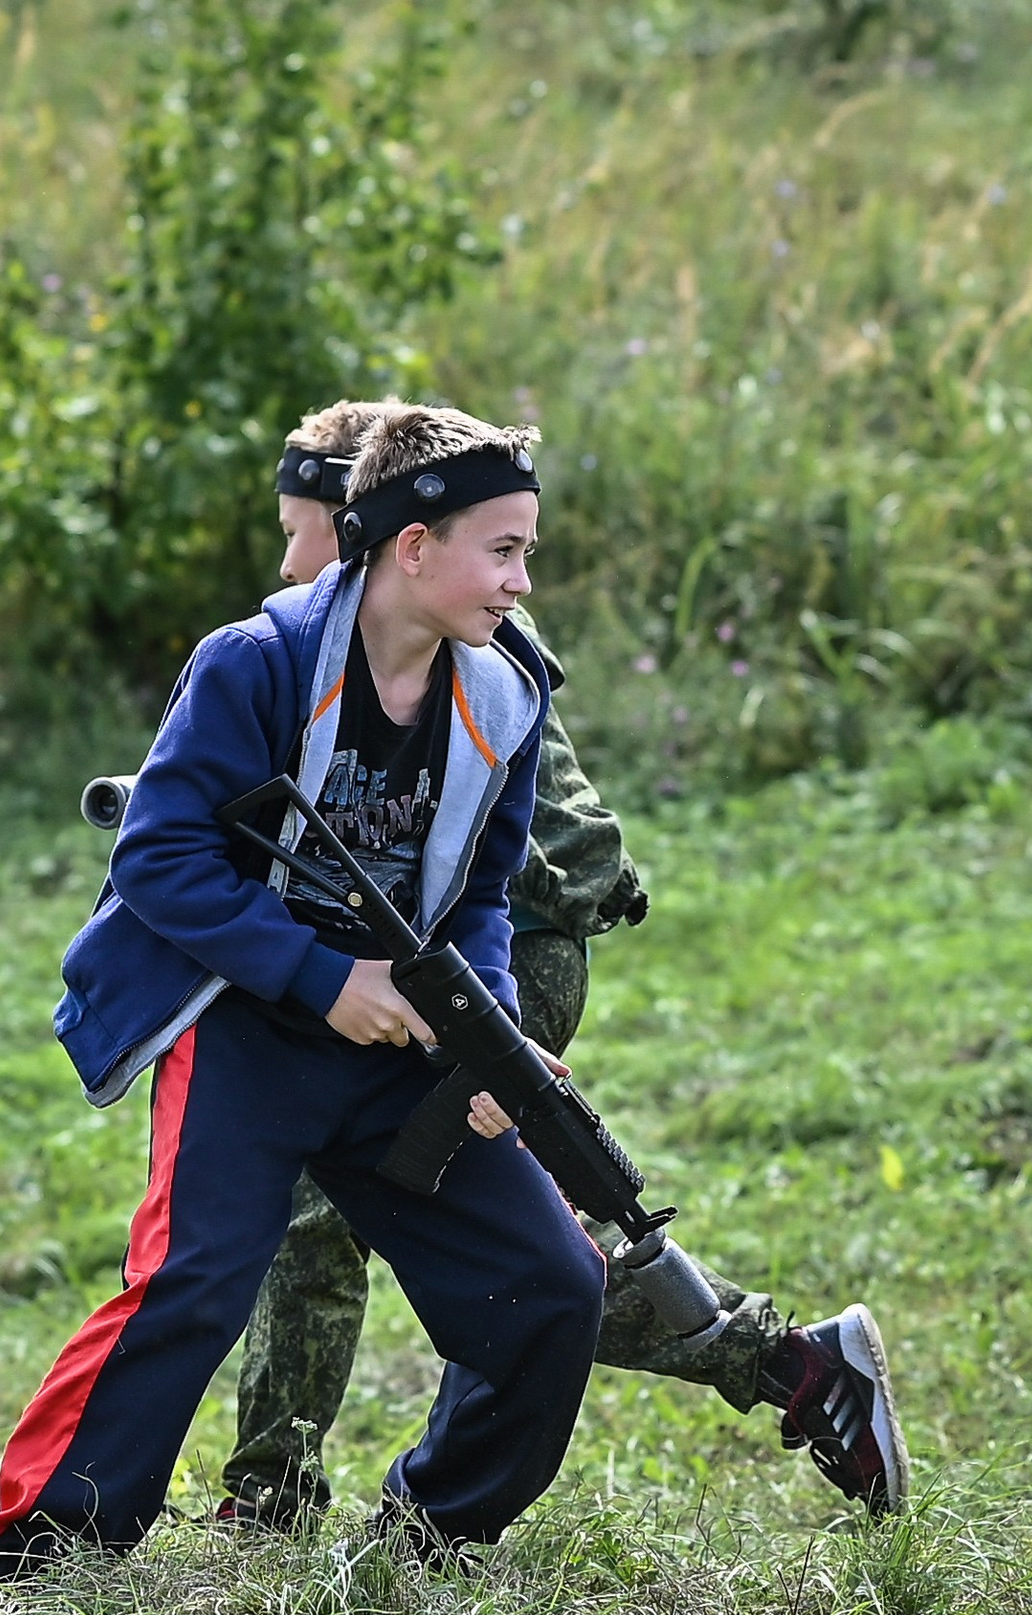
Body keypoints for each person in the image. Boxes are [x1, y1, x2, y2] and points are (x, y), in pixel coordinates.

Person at [217, 399, 910, 1529]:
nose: (290, 560)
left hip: (508, 958)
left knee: (367, 1219)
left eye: (305, 530)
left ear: (382, 532)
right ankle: (790, 1364)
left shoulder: (460, 640)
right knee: (427, 1221)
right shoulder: (349, 633)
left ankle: (279, 1497)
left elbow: (532, 859)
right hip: (459, 957)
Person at [0, 403, 606, 1578]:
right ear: (414, 546)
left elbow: (482, 891)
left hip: (399, 1043)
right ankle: (45, 1542)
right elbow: (159, 857)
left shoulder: (508, 692)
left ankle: (426, 1537)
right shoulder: (255, 662)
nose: (522, 581)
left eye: (528, 551)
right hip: (244, 1025)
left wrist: (491, 1032)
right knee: (193, 1281)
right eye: (504, 550)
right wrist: (323, 975)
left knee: (554, 1283)